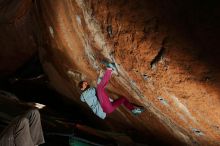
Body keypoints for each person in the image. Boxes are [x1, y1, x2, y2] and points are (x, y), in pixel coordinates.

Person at [79, 63, 144, 119]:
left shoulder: (90, 92)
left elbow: (98, 92)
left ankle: (133, 110)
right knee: (100, 88)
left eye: (86, 83)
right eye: (84, 84)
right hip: (104, 107)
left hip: (108, 108)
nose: (86, 83)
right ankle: (110, 69)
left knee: (123, 99)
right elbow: (98, 89)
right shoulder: (85, 95)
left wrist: (100, 76)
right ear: (81, 89)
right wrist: (100, 77)